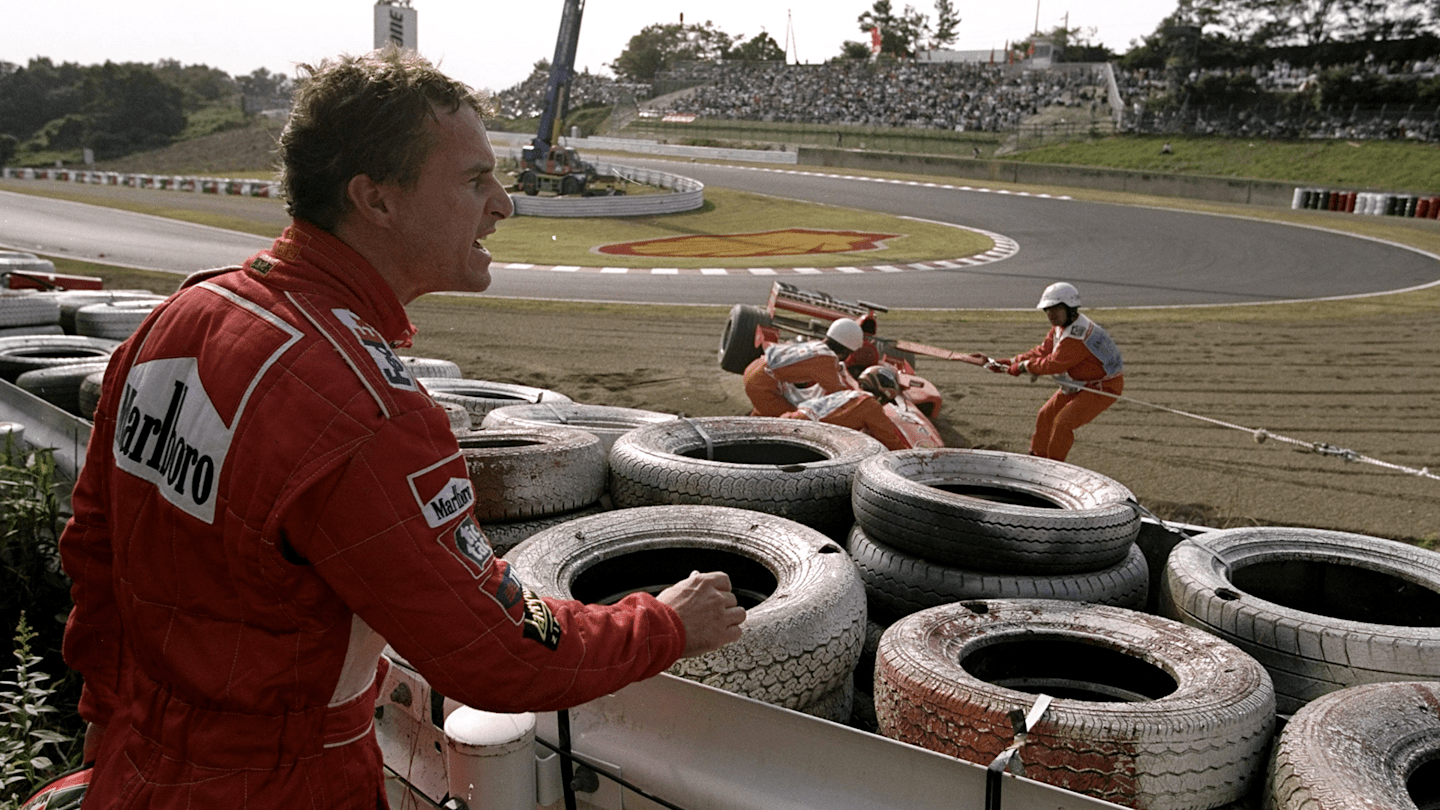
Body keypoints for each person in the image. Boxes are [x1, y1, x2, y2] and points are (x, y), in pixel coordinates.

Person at [59, 48, 745, 810]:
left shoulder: (181, 313)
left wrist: (109, 726)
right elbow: (499, 649)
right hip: (281, 781)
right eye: (474, 179)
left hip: (134, 760)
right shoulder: (366, 411)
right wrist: (665, 623)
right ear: (376, 199)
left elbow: (93, 547)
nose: (503, 205)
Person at [989, 282, 1124, 461]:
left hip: (1101, 388)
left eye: (1055, 309)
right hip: (1077, 384)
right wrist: (1011, 361)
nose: (1050, 314)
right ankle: (1037, 458)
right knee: (1045, 415)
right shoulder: (1060, 328)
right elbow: (1043, 351)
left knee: (1063, 423)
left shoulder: (1077, 335)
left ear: (1070, 308)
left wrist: (1023, 367)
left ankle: (1054, 467)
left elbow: (1054, 364)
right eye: (1047, 310)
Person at [742, 318, 863, 417]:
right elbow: (840, 393)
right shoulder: (827, 360)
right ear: (846, 351)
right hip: (762, 383)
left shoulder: (816, 345)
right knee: (795, 420)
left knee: (769, 411)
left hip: (756, 368)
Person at [780, 365, 911, 450]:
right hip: (807, 433)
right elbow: (890, 441)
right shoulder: (870, 405)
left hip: (791, 419)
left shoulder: (847, 394)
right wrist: (910, 455)